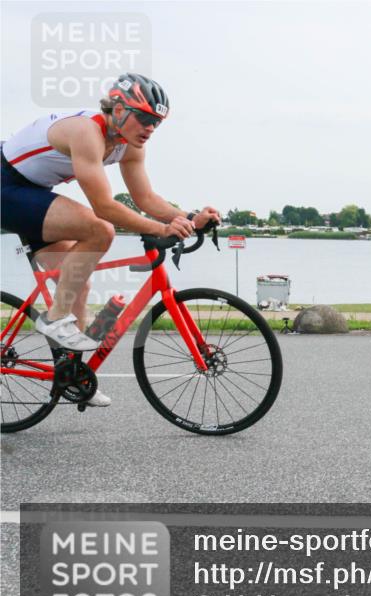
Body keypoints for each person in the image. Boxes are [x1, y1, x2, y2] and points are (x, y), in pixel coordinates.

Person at [1, 73, 221, 407]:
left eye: (156, 123)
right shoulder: (87, 131)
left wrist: (189, 218)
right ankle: (55, 319)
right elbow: (103, 206)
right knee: (100, 229)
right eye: (144, 118)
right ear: (118, 109)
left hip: (31, 192)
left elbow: (145, 198)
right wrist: (160, 229)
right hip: (6, 185)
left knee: (77, 283)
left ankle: (73, 377)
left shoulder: (128, 146)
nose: (149, 128)